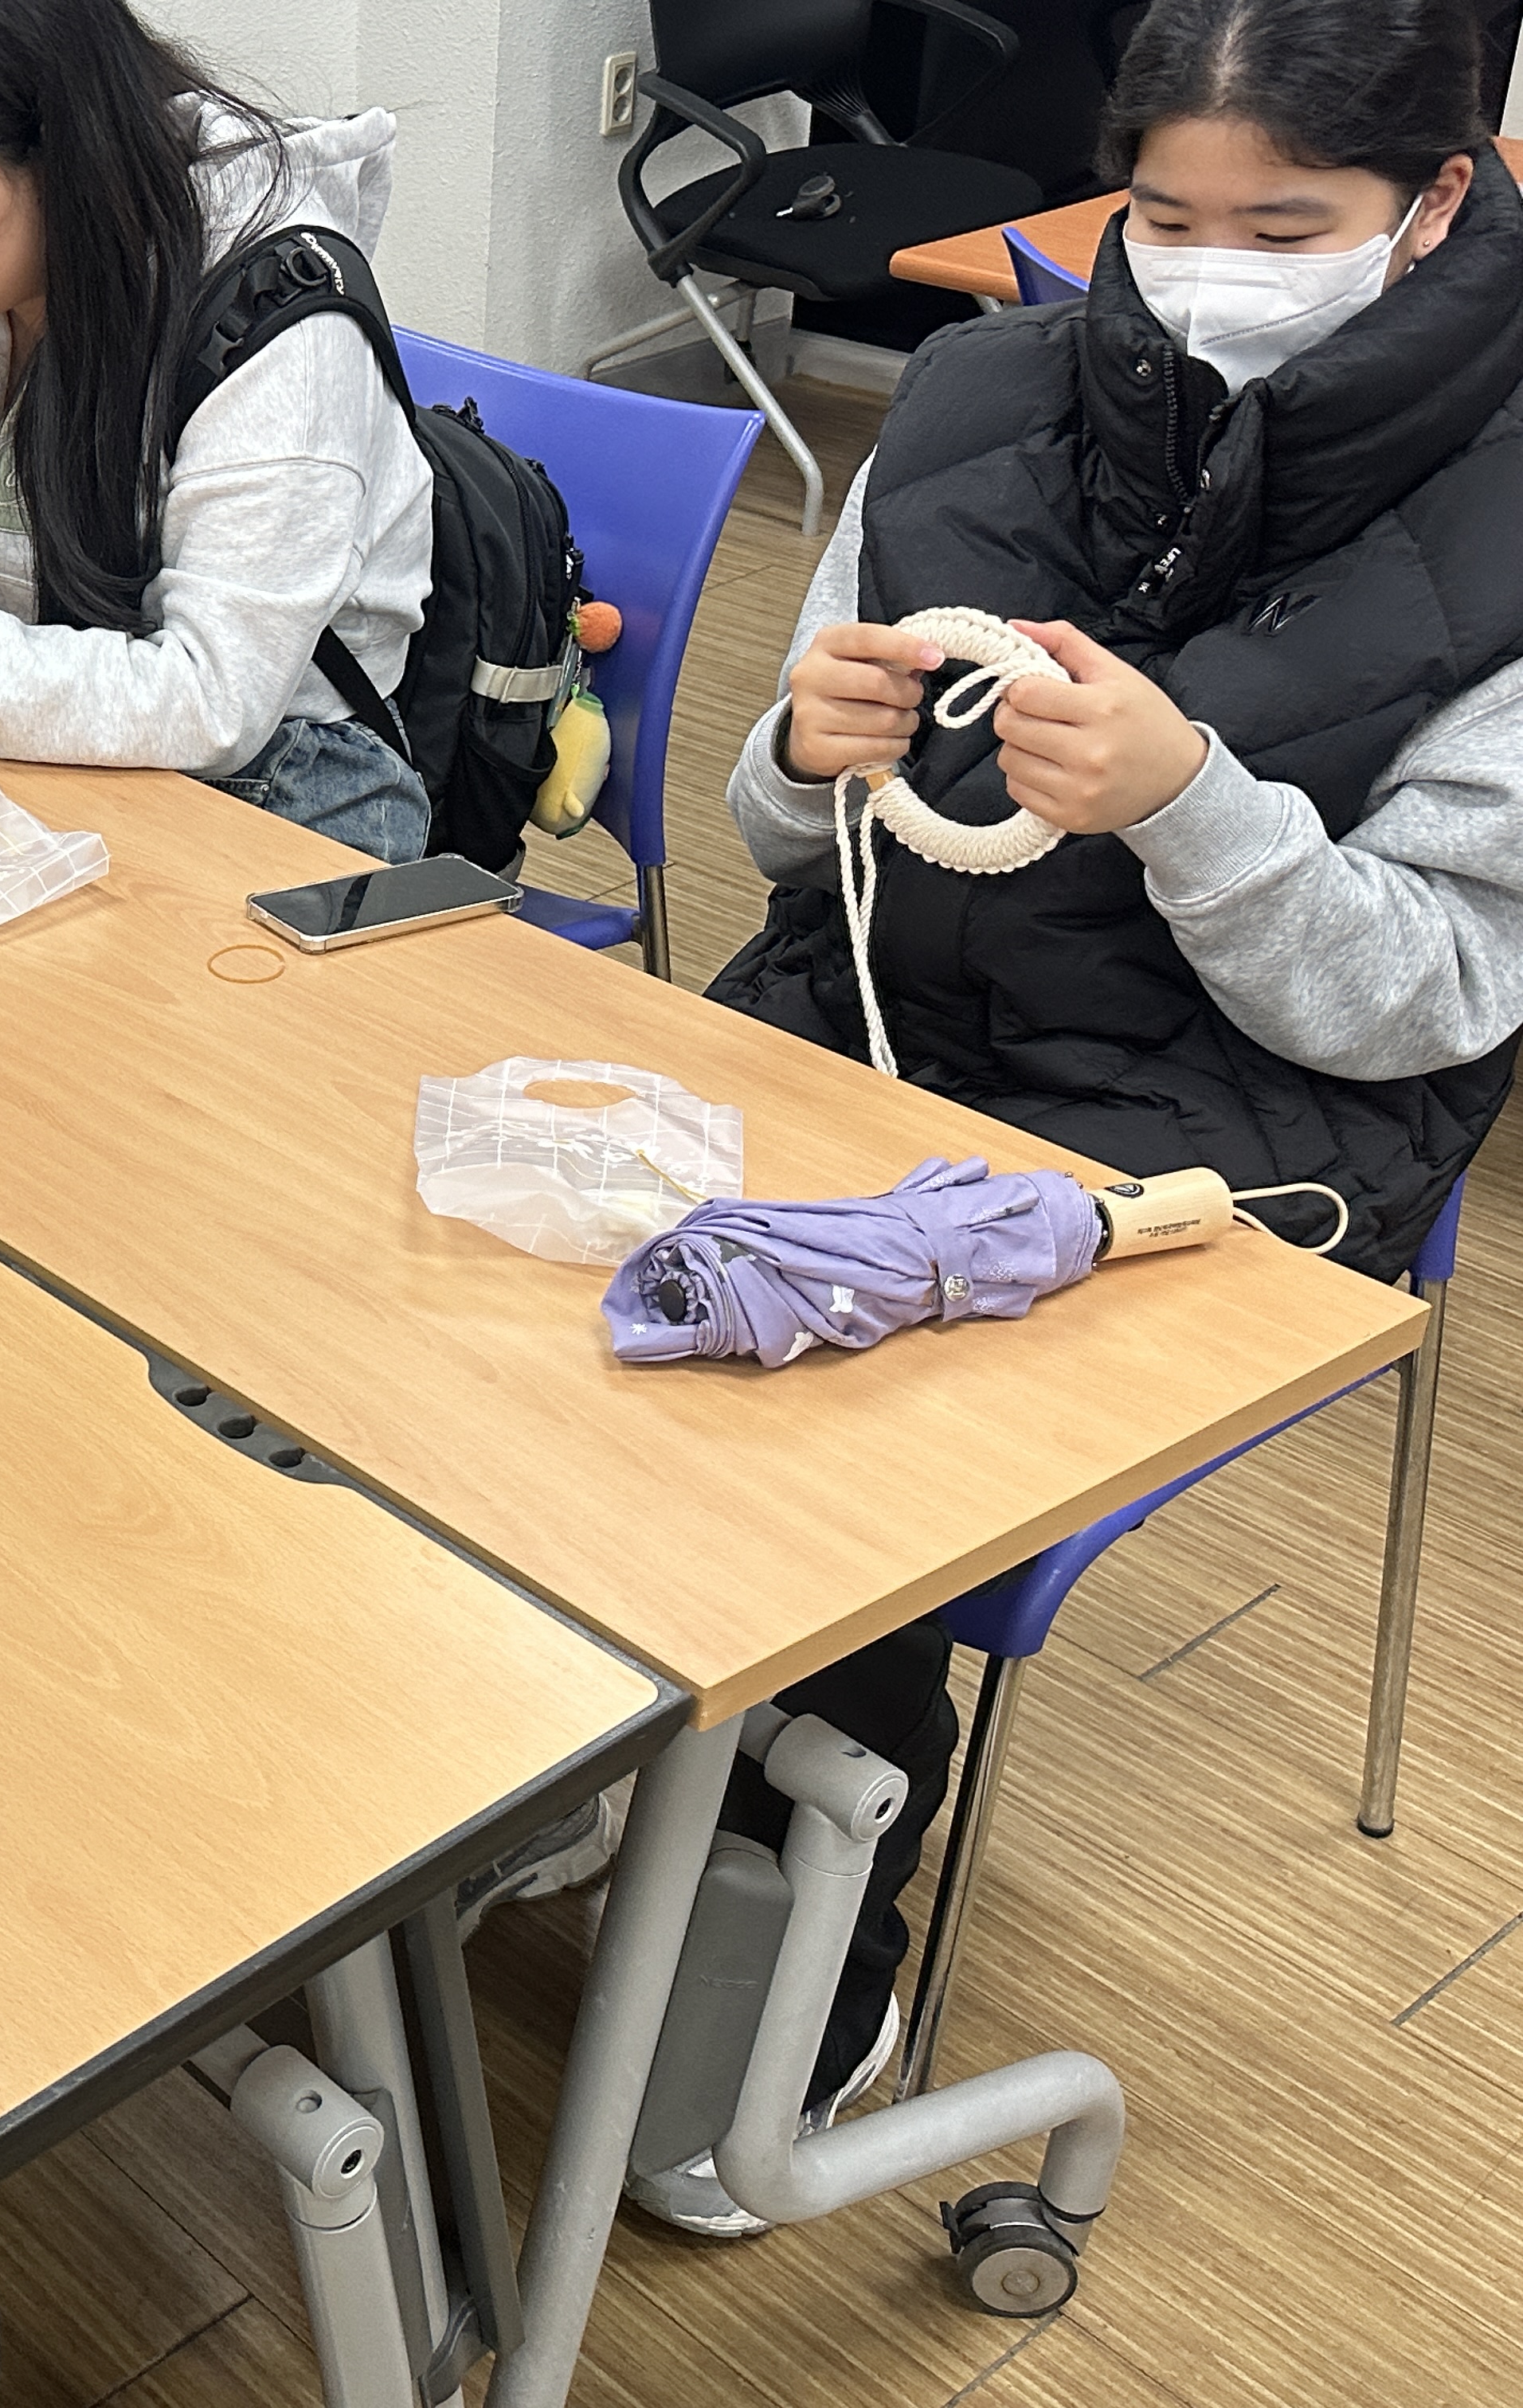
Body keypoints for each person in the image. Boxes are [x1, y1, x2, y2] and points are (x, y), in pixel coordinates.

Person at [661, 0, 1523, 2237]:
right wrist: (804, 754)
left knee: (853, 1408)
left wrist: (1193, 809)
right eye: (1163, 214)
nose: (1211, 269)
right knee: (580, 1261)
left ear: (1438, 199)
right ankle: (629, 1757)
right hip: (884, 1018)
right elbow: (792, 847)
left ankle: (819, 1864)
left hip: (1249, 1117)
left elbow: (1434, 995)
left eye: (1286, 228)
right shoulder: (977, 395)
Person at [0, 0, 439, 864]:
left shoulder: (274, 328)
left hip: (277, 782)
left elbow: (212, 696)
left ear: (64, 153)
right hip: (32, 749)